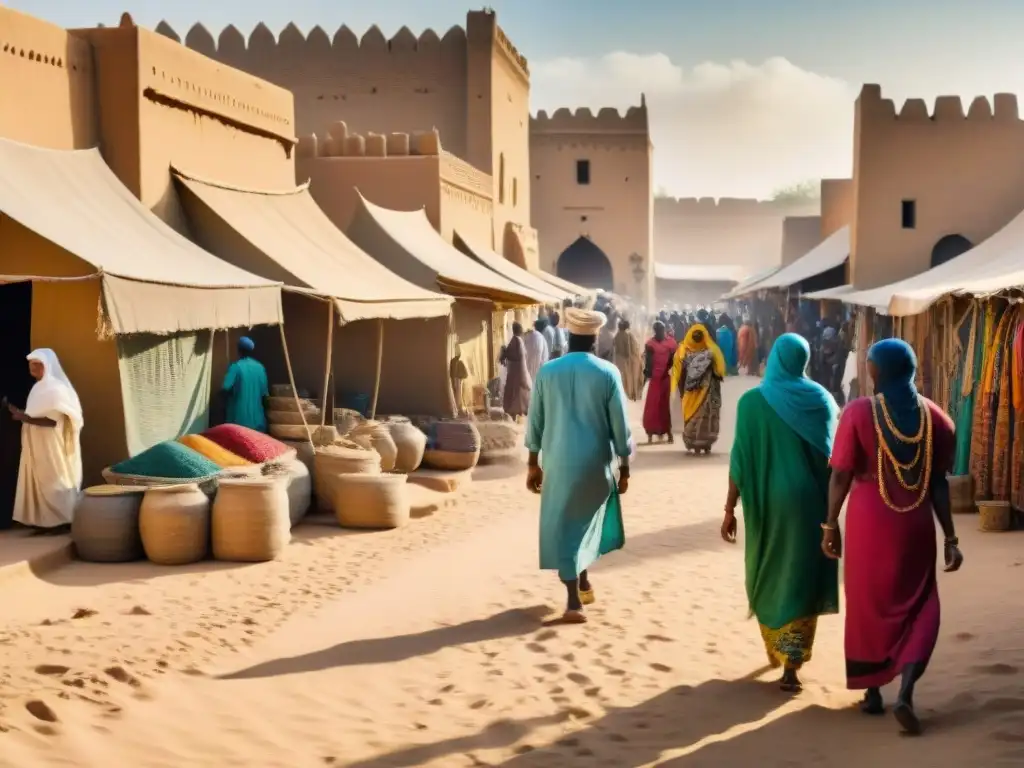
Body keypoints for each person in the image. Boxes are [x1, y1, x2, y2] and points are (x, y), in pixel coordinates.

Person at [823, 339, 962, 735]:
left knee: (868, 608)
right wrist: (950, 537)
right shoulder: (938, 420)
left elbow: (840, 474)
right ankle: (906, 691)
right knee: (921, 606)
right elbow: (939, 486)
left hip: (870, 524)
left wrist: (829, 524)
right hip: (915, 526)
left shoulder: (858, 413)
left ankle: (871, 693)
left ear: (877, 370)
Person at [722, 333, 840, 692]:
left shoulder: (752, 402)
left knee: (770, 567)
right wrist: (833, 519)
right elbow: (835, 462)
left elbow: (739, 462)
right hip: (810, 504)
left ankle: (776, 644)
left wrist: (729, 508)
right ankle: (792, 664)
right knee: (802, 576)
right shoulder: (821, 400)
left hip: (766, 502)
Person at [526, 308, 632, 624]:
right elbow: (620, 425)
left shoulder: (547, 372)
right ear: (595, 337)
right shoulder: (608, 372)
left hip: (557, 464)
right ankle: (580, 586)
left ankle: (574, 596)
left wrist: (533, 464)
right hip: (595, 464)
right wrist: (625, 466)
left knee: (567, 526)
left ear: (569, 335)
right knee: (583, 522)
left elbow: (536, 422)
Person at [4, 349, 83, 533]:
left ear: (47, 365)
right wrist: (21, 414)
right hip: (36, 442)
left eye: (37, 364)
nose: (33, 368)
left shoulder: (56, 389)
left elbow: (53, 421)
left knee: (54, 479)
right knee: (39, 480)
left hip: (51, 444)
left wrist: (25, 418)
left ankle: (64, 520)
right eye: (31, 365)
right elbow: (34, 413)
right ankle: (46, 522)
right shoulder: (37, 388)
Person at [671, 324, 725, 453]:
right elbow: (720, 372)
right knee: (707, 416)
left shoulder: (682, 351)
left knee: (692, 416)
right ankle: (706, 444)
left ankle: (693, 443)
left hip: (690, 393)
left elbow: (677, 373)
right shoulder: (713, 351)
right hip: (708, 392)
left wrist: (678, 391)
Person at [223, 336, 269, 432]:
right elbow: (265, 395)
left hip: (239, 421)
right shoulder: (260, 368)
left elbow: (225, 389)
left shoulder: (236, 367)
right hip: (258, 422)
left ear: (238, 350)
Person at [642, 321, 677, 443]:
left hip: (663, 378)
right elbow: (649, 363)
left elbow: (673, 360)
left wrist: (648, 374)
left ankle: (665, 432)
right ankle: (656, 432)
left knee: (661, 405)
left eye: (661, 330)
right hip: (659, 378)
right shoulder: (652, 344)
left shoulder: (661, 343)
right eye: (658, 331)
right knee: (656, 406)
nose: (660, 333)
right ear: (655, 331)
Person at [502, 322, 531, 420]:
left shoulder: (516, 340)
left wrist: (505, 353)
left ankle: (515, 413)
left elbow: (514, 355)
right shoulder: (519, 340)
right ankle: (517, 413)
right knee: (518, 391)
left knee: (516, 391)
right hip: (518, 369)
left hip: (516, 370)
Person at [613, 319, 644, 402]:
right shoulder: (628, 335)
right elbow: (631, 349)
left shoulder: (616, 336)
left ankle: (628, 394)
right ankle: (632, 394)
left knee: (624, 379)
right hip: (628, 360)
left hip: (619, 360)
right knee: (631, 377)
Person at [524, 318, 550, 384]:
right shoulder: (541, 338)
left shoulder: (528, 335)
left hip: (527, 373)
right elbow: (544, 359)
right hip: (538, 374)